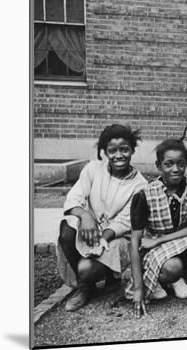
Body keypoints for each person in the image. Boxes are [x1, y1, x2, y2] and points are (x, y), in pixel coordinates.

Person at [57, 124, 148, 311]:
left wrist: (102, 239)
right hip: (88, 229)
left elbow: (125, 221)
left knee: (86, 269)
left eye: (124, 150)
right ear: (104, 152)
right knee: (67, 227)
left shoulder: (141, 185)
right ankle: (85, 287)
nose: (119, 156)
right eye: (112, 151)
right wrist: (84, 216)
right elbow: (74, 198)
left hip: (115, 236)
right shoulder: (92, 169)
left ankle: (109, 277)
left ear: (132, 150)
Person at [126, 133, 187, 318]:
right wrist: (138, 288)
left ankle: (177, 279)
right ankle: (167, 279)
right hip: (154, 248)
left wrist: (161, 239)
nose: (175, 169)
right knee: (173, 267)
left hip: (175, 240)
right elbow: (135, 243)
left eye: (181, 163)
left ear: (186, 163)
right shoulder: (144, 195)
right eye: (168, 164)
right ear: (159, 166)